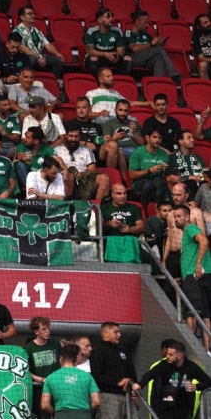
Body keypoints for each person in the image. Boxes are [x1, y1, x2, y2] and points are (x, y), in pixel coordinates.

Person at [132, 341, 211, 419]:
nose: (167, 356)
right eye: (167, 354)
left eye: (171, 354)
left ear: (179, 356)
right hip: (165, 407)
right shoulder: (164, 364)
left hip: (183, 409)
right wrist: (140, 384)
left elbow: (208, 381)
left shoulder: (191, 367)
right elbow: (150, 374)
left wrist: (196, 386)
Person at [172, 205, 211, 353]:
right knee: (205, 314)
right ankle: (206, 350)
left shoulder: (190, 228)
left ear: (187, 217)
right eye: (174, 217)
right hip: (196, 277)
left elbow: (204, 241)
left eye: (179, 216)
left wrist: (198, 264)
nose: (176, 219)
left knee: (193, 314)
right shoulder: (187, 233)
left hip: (194, 277)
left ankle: (191, 350)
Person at [90, 322, 138, 419]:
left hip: (127, 396)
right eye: (116, 332)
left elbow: (132, 373)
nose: (119, 335)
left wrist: (129, 381)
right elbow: (97, 377)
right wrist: (117, 383)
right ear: (105, 334)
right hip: (109, 397)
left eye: (119, 332)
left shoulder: (123, 352)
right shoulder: (98, 352)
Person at [41, 344, 101, 419]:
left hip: (61, 416)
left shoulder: (51, 377)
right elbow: (97, 402)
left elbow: (45, 405)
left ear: (61, 358)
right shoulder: (87, 376)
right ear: (77, 357)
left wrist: (56, 413)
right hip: (84, 415)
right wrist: (87, 411)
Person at [55, 122, 111, 200]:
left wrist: (81, 174)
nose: (73, 139)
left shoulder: (86, 150)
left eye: (76, 136)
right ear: (66, 136)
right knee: (69, 176)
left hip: (83, 179)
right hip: (64, 179)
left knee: (104, 178)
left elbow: (92, 169)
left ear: (80, 137)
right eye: (71, 136)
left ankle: (97, 206)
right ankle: (66, 205)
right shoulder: (56, 150)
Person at [124, 9, 182, 83]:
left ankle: (158, 83)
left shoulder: (146, 35)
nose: (147, 25)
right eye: (145, 22)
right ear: (137, 21)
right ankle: (173, 74)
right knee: (158, 49)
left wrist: (159, 43)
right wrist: (151, 44)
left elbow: (154, 47)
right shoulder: (128, 33)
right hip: (133, 59)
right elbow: (134, 48)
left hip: (146, 60)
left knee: (158, 58)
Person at [24, 316, 62, 419]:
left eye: (48, 328)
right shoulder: (28, 348)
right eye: (44, 329)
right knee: (43, 414)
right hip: (40, 388)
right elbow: (26, 371)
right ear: (36, 332)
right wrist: (41, 379)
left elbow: (62, 361)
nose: (47, 331)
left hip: (57, 386)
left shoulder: (55, 343)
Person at [13, 7, 63, 78]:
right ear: (22, 17)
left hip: (38, 56)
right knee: (32, 59)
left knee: (57, 61)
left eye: (33, 14)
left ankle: (53, 81)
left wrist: (56, 53)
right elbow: (22, 48)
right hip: (24, 57)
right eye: (30, 14)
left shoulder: (37, 31)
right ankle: (27, 79)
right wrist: (38, 57)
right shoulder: (16, 31)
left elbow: (47, 44)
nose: (33, 15)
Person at [129, 128, 169, 211]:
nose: (157, 140)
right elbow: (132, 175)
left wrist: (166, 171)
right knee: (150, 184)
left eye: (160, 138)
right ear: (148, 138)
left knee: (167, 183)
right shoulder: (138, 152)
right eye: (154, 137)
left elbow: (165, 176)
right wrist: (149, 170)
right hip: (140, 182)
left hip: (158, 181)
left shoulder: (164, 154)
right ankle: (145, 211)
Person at [84, 8, 126, 78]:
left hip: (111, 57)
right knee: (93, 58)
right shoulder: (91, 31)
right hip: (98, 57)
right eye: (108, 17)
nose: (111, 19)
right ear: (100, 20)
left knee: (126, 59)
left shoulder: (117, 31)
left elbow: (120, 52)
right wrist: (105, 54)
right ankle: (95, 82)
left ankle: (121, 81)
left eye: (111, 16)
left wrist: (116, 55)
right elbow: (91, 51)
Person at [102, 98, 145, 164]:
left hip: (135, 150)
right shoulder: (108, 123)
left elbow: (142, 143)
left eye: (126, 111)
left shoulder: (134, 124)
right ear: (115, 110)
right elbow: (105, 143)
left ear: (129, 111)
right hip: (117, 150)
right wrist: (114, 138)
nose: (123, 113)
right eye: (120, 110)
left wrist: (134, 132)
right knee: (119, 152)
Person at [172, 130, 205, 199]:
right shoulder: (172, 158)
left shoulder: (198, 159)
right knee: (191, 182)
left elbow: (203, 176)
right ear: (180, 141)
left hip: (199, 187)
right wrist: (188, 177)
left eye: (192, 138)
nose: (192, 140)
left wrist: (200, 178)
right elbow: (170, 177)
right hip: (181, 188)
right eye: (189, 138)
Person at [192, 14, 211, 79]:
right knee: (203, 64)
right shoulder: (196, 39)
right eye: (205, 23)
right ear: (198, 27)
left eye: (209, 21)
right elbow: (201, 58)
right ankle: (206, 85)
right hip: (207, 63)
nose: (209, 23)